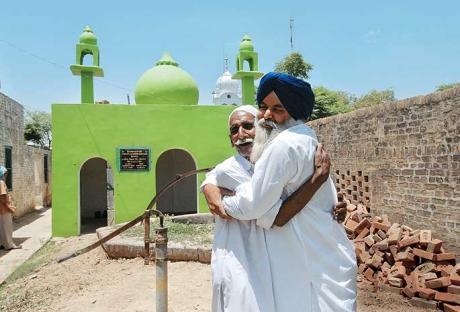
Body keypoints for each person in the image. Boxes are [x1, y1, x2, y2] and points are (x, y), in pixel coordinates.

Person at [208, 72, 357, 311]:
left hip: (306, 263)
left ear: (294, 109)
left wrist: (226, 203)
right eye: (264, 107)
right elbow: (217, 179)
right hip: (291, 260)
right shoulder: (307, 139)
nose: (267, 115)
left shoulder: (282, 146)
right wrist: (211, 188)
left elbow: (259, 209)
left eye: (278, 108)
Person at [0, 166, 20, 250]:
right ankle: (9, 245)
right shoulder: (1, 182)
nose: (6, 175)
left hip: (1, 209)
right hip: (4, 209)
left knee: (1, 228)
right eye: (5, 173)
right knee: (7, 228)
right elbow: (2, 196)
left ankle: (2, 244)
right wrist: (9, 207)